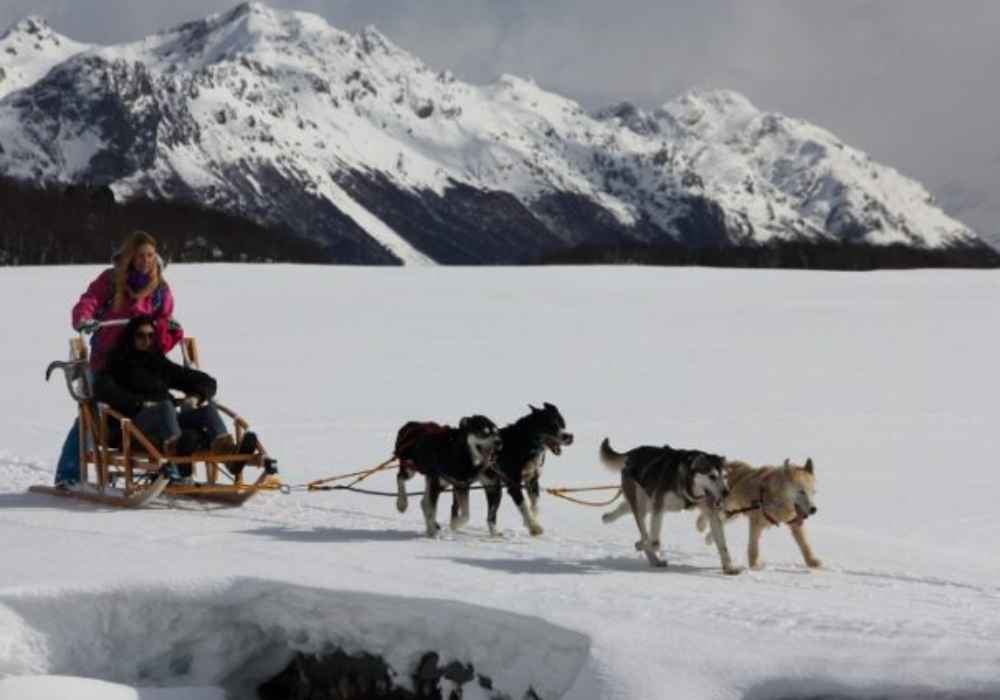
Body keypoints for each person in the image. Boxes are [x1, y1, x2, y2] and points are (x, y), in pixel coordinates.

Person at [54, 231, 184, 486]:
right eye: (140, 255)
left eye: (150, 255)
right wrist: (84, 319)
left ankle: (170, 467)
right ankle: (68, 474)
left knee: (158, 408)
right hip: (107, 362)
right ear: (129, 256)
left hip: (141, 363)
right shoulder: (111, 280)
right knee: (92, 416)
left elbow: (163, 317)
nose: (145, 261)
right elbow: (90, 300)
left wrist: (168, 327)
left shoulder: (160, 288)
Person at [94, 316, 256, 483]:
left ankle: (229, 455)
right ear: (130, 337)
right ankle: (177, 458)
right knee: (165, 407)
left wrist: (197, 396)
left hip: (167, 421)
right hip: (133, 425)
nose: (146, 340)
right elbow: (103, 390)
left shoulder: (158, 362)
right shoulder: (117, 362)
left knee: (207, 411)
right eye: (140, 335)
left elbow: (204, 381)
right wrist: (139, 403)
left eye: (151, 335)